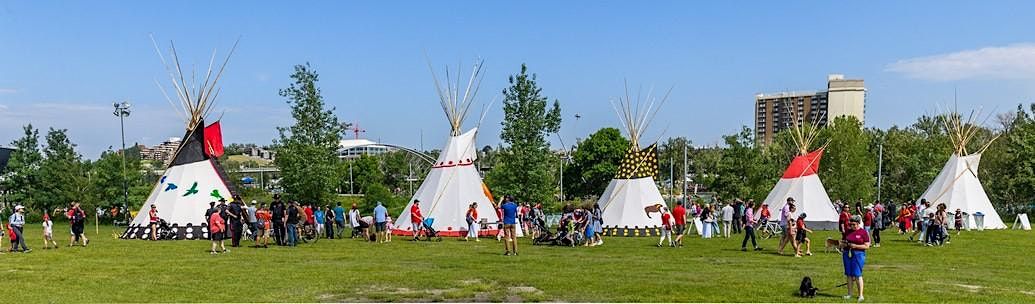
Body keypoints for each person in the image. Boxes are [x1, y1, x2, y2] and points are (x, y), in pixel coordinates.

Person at [841, 215, 871, 302]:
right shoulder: (848, 231)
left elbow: (867, 246)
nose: (852, 226)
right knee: (849, 274)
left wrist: (855, 246)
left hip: (858, 254)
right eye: (851, 224)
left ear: (858, 223)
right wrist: (842, 245)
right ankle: (849, 294)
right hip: (847, 254)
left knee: (857, 274)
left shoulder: (863, 232)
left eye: (854, 224)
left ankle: (860, 295)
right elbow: (844, 240)